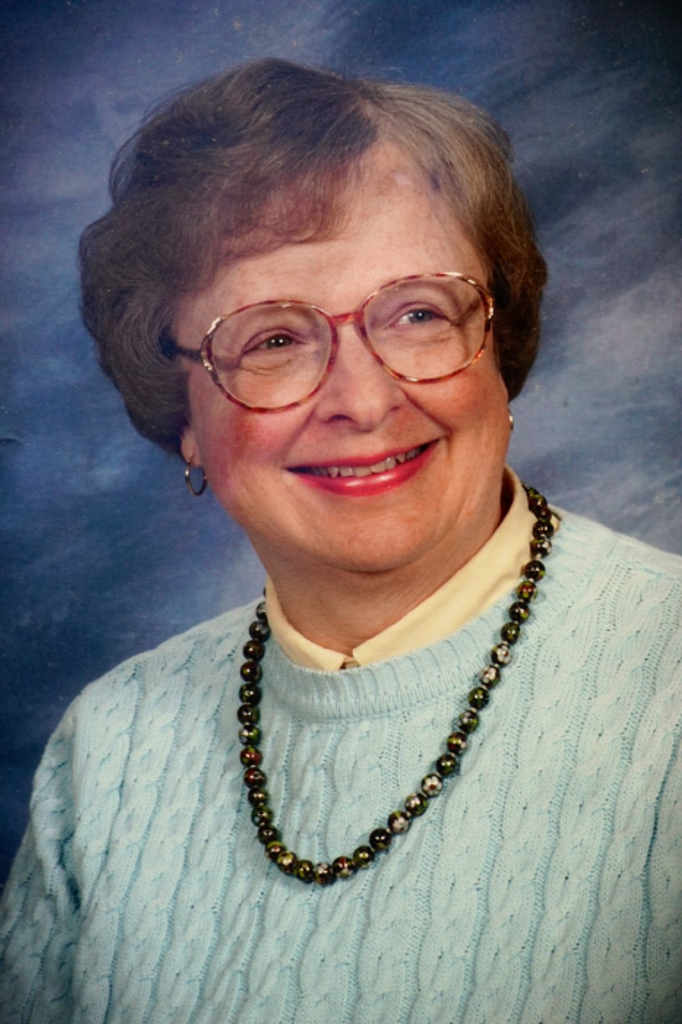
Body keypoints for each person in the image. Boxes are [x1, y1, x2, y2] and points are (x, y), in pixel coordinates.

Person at [1, 58, 681, 1024]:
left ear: (499, 340)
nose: (363, 401)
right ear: (183, 415)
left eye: (418, 314)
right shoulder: (108, 751)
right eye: (274, 339)